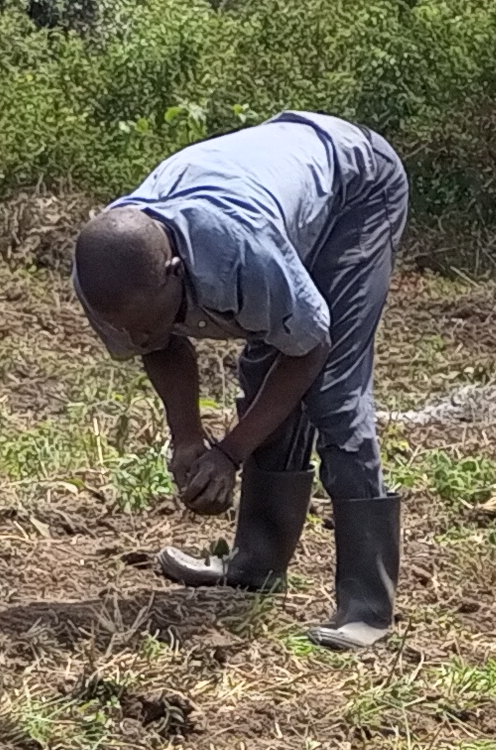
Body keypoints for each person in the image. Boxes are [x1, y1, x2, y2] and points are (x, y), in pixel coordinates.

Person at [70, 111, 408, 653]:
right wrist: (187, 438)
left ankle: (366, 605)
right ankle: (257, 562)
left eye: (148, 320)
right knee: (260, 372)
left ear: (175, 270)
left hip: (356, 186)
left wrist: (230, 454)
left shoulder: (239, 251)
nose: (136, 335)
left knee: (335, 395)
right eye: (124, 328)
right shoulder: (107, 271)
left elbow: (310, 346)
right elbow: (160, 342)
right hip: (277, 188)